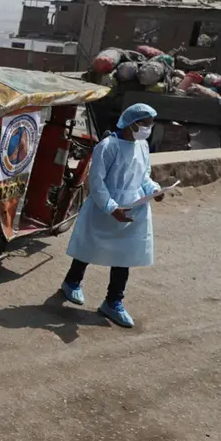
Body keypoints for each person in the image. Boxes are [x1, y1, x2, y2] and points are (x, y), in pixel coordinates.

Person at [61, 103, 163, 328]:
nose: (149, 128)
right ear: (133, 123)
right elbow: (96, 183)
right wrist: (110, 207)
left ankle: (113, 301)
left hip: (133, 207)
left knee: (124, 257)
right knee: (90, 246)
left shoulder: (142, 145)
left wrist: (154, 190)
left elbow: (143, 176)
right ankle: (71, 282)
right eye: (145, 124)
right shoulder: (108, 146)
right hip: (104, 206)